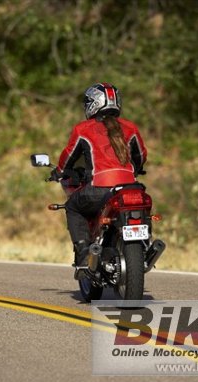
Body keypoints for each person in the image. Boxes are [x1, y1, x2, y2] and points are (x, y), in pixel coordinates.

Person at [54, 82, 147, 272]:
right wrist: (135, 170)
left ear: (93, 104)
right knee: (142, 207)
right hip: (131, 189)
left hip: (99, 189)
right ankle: (146, 245)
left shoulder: (83, 129)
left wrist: (59, 171)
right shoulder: (131, 127)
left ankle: (83, 255)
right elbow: (141, 156)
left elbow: (68, 157)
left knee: (73, 206)